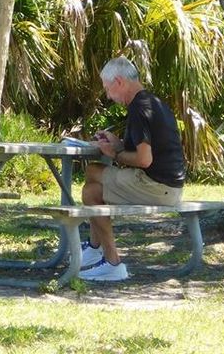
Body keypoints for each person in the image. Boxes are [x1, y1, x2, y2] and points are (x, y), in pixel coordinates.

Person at [78, 56, 186, 282]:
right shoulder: (152, 102)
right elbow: (147, 150)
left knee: (91, 185)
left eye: (108, 89)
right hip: (168, 185)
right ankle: (97, 251)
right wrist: (117, 144)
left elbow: (144, 159)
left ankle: (111, 262)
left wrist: (115, 154)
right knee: (92, 181)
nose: (108, 96)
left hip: (157, 187)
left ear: (119, 82)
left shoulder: (138, 108)